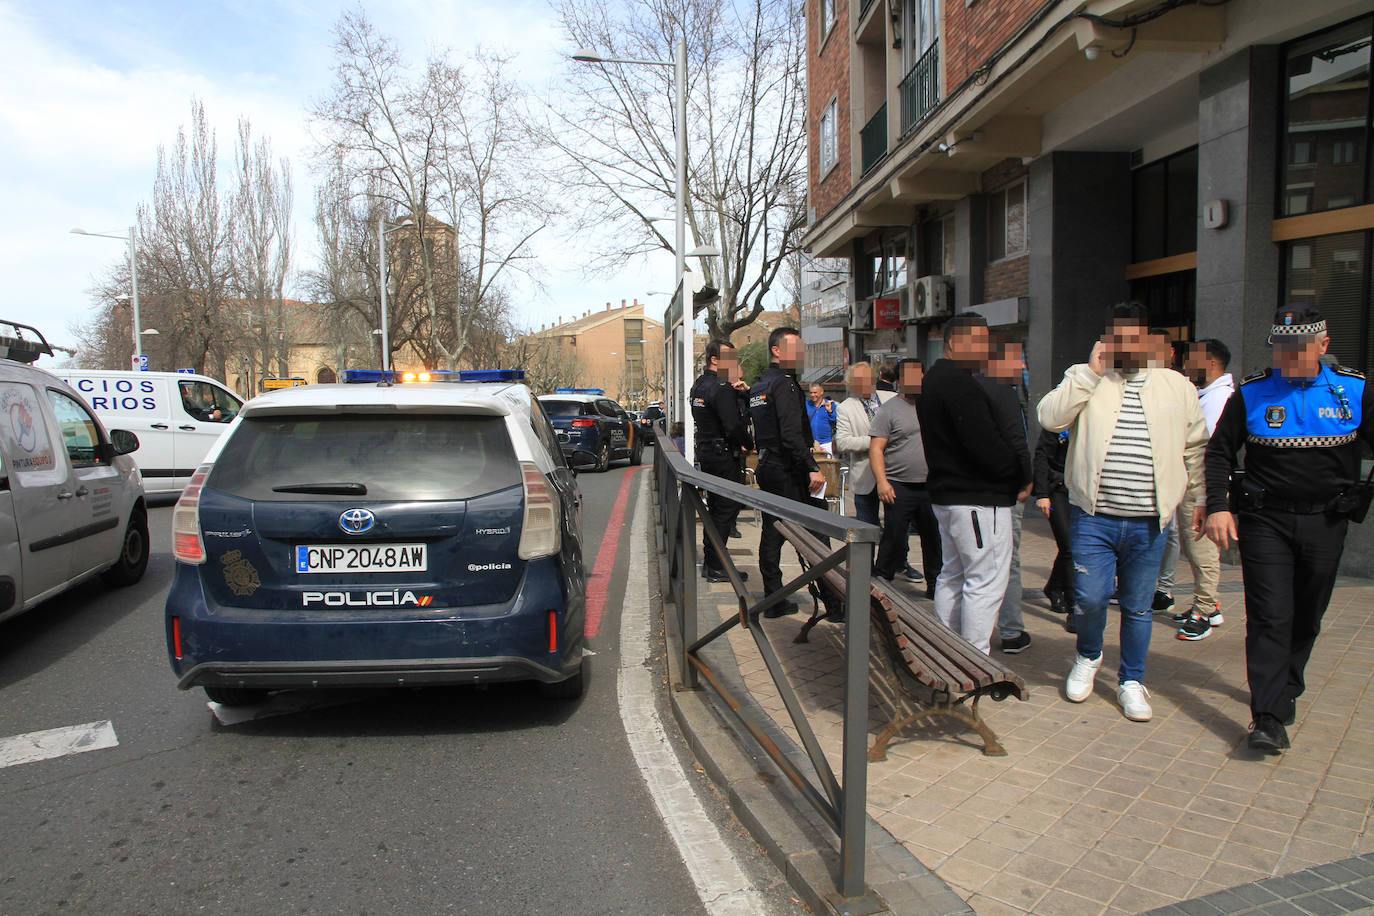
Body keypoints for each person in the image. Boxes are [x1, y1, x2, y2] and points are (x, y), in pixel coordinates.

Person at [1201, 305, 1374, 753]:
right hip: (1266, 521)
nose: (1288, 358)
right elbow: (1220, 452)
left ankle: (1287, 686)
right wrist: (1218, 506)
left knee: (1306, 614)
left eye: (1297, 349)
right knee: (1269, 615)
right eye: (1280, 349)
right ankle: (1268, 716)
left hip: (1327, 520)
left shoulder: (1354, 390)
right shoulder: (1253, 392)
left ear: (1323, 345)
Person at [1038, 302, 1208, 722]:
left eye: (1133, 337)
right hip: (1095, 517)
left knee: (1137, 606)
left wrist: (1199, 499)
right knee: (1091, 598)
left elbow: (1195, 447)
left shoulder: (1176, 385)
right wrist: (1090, 373)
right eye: (1117, 337)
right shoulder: (1086, 377)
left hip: (1150, 521)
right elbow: (1050, 417)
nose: (1125, 346)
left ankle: (1132, 680)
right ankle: (1088, 657)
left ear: (1147, 340)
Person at [916, 313, 1026, 655]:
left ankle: (949, 652)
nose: (985, 349)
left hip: (951, 495)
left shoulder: (937, 379)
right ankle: (973, 660)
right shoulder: (958, 383)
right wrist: (1017, 476)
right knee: (984, 581)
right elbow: (985, 444)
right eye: (978, 341)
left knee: (955, 574)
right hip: (977, 498)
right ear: (954, 343)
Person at [749, 327, 842, 619]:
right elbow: (791, 436)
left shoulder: (759, 385)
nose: (801, 354)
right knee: (816, 533)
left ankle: (774, 599)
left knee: (773, 532)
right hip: (788, 469)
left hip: (768, 465)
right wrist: (813, 468)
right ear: (777, 350)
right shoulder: (785, 384)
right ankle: (835, 604)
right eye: (796, 348)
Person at [1172, 338, 1235, 640]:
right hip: (1191, 484)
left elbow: (1205, 447)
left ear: (1210, 362)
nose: (1186, 365)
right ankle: (1208, 602)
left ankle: (1205, 610)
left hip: (1205, 487)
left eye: (1192, 359)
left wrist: (1209, 496)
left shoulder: (1221, 398)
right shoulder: (1205, 394)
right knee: (1193, 547)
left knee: (1203, 548)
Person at [980, 333, 1034, 654]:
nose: (1024, 364)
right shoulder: (1003, 397)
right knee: (1006, 560)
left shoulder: (979, 393)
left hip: (976, 493)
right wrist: (1026, 481)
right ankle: (1011, 631)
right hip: (1003, 492)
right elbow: (1018, 446)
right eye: (1018, 358)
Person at [869, 359, 941, 596]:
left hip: (931, 486)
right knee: (894, 538)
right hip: (898, 487)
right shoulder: (889, 410)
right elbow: (876, 448)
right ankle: (881, 584)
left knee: (934, 539)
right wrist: (882, 482)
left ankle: (936, 585)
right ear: (899, 381)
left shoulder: (933, 405)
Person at [690, 340, 754, 583]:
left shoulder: (700, 385)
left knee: (717, 509)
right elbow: (733, 425)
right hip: (724, 454)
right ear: (714, 360)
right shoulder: (721, 387)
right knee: (725, 510)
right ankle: (716, 565)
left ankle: (712, 563)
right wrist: (748, 442)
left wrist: (742, 395)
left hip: (707, 452)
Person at [1149, 328, 1185, 613]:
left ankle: (1164, 589)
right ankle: (1145, 585)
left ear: (1171, 352)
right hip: (1144, 472)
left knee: (1170, 530)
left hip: (1173, 471)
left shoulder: (1181, 386)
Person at [834, 362, 896, 526]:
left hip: (895, 473)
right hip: (865, 476)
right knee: (867, 530)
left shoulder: (892, 398)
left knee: (897, 530)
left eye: (868, 378)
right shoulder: (845, 408)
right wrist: (877, 441)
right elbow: (842, 442)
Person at [1033, 427, 1075, 632]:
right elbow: (1041, 455)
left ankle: (1054, 587)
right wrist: (1041, 493)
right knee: (1068, 546)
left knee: (1071, 548)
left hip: (1082, 491)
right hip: (1055, 492)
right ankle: (1075, 608)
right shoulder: (1057, 421)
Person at [807, 384, 838, 456]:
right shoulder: (807, 405)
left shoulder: (831, 404)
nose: (812, 395)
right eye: (811, 393)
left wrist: (830, 411)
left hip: (827, 443)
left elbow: (836, 421)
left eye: (815, 392)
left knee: (828, 466)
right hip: (811, 444)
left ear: (821, 392)